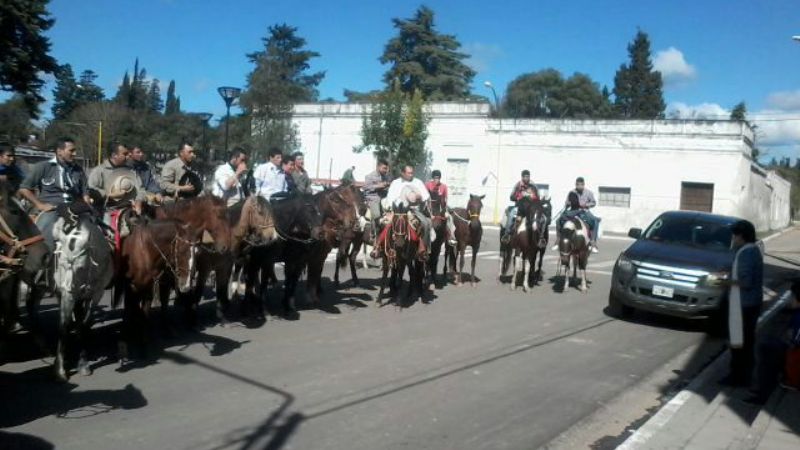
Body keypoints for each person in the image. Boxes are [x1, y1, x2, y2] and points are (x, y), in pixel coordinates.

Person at [18, 137, 91, 251]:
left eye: (75, 150)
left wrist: (87, 202)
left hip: (74, 208)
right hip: (52, 209)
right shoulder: (43, 167)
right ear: (59, 151)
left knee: (96, 232)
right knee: (42, 237)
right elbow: (24, 188)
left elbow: (85, 192)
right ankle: (44, 261)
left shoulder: (78, 170)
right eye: (71, 151)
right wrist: (39, 205)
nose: (75, 154)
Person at [718, 220, 764, 388]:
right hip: (749, 304)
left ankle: (739, 377)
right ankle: (740, 375)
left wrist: (725, 282)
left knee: (740, 342)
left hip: (744, 305)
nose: (733, 239)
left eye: (735, 235)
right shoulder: (752, 250)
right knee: (744, 342)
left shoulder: (746, 253)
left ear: (741, 236)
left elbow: (746, 282)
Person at [372, 165, 431, 258]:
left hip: (413, 210)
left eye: (412, 173)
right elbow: (390, 197)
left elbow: (425, 197)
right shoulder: (395, 183)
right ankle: (378, 247)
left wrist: (419, 197)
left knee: (425, 223)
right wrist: (390, 210)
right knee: (384, 223)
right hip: (396, 211)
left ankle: (422, 250)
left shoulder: (418, 182)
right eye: (409, 173)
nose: (411, 175)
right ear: (402, 173)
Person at [88, 141, 146, 214]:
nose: (128, 156)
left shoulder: (131, 171)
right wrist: (109, 195)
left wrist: (139, 201)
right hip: (105, 211)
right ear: (114, 155)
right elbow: (90, 190)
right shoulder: (99, 171)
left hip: (129, 211)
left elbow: (141, 190)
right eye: (125, 154)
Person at [553, 177, 600, 253]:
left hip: (584, 211)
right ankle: (558, 239)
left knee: (595, 221)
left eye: (581, 185)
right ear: (576, 184)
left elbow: (593, 202)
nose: (579, 186)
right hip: (573, 211)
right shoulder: (572, 192)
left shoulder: (589, 192)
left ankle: (593, 241)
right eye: (578, 185)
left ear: (584, 184)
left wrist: (586, 204)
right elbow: (566, 202)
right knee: (558, 220)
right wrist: (570, 203)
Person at [502, 170, 538, 242]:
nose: (526, 178)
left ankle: (540, 237)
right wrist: (520, 196)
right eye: (525, 177)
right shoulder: (518, 185)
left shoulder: (533, 186)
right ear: (522, 177)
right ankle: (507, 234)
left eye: (528, 176)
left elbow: (537, 197)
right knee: (512, 214)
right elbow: (511, 197)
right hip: (519, 208)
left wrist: (532, 196)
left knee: (540, 217)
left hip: (530, 209)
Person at [425, 169, 456, 246]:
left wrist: (445, 209)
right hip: (429, 208)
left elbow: (446, 198)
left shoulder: (444, 186)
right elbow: (425, 198)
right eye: (435, 178)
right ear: (433, 178)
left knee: (450, 218)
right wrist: (428, 211)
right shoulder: (428, 185)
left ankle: (451, 237)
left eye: (438, 178)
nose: (436, 179)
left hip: (441, 208)